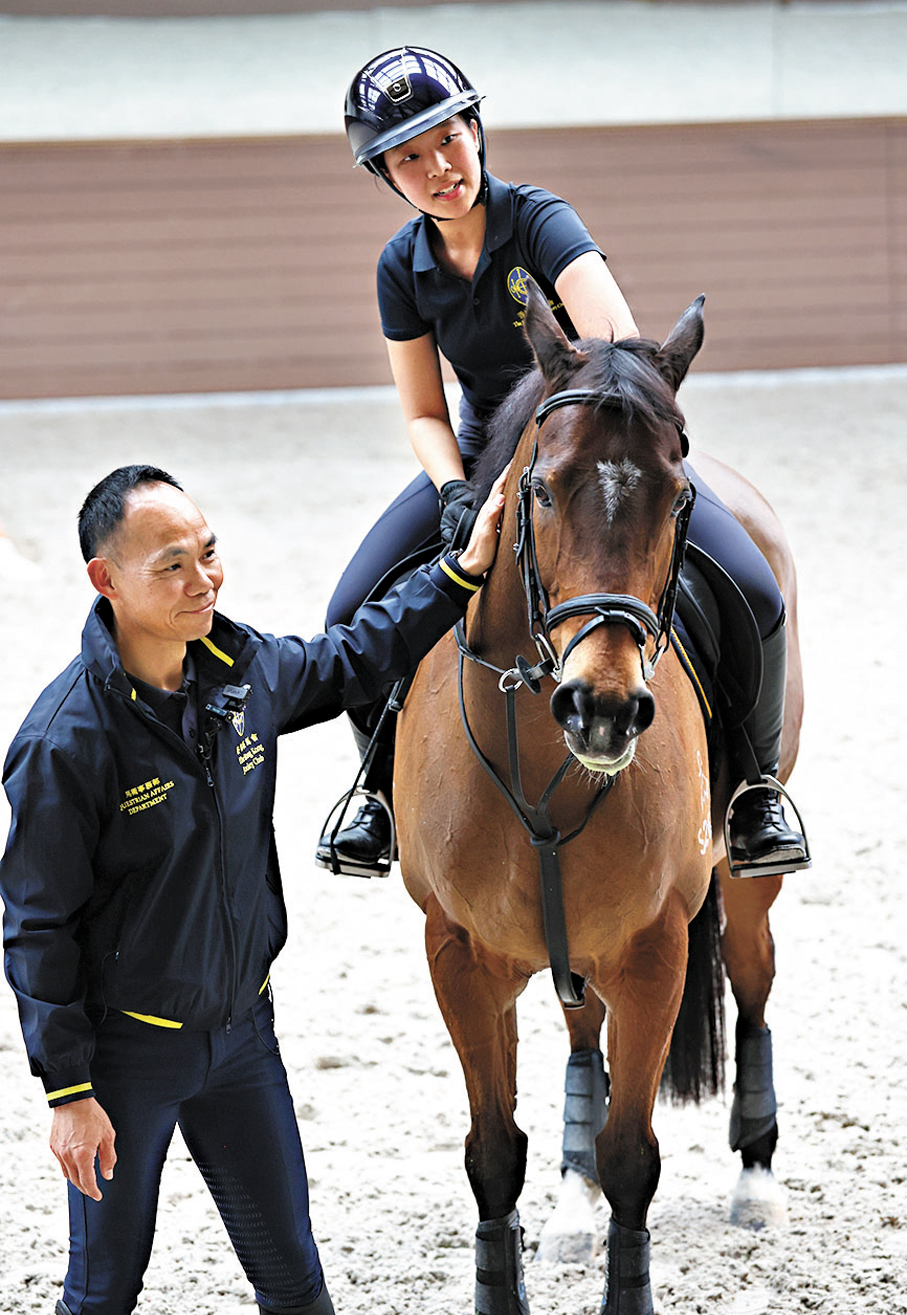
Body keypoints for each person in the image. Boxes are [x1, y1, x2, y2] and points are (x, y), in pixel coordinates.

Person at [0, 462, 505, 1315]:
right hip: (126, 1062)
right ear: (104, 580)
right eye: (171, 565)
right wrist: (70, 1091)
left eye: (208, 552)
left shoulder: (245, 672)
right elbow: (35, 925)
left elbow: (358, 654)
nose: (203, 580)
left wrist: (458, 573)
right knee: (103, 1294)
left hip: (242, 1041)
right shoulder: (62, 742)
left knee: (295, 1277)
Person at [316, 44, 808, 882]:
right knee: (350, 607)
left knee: (754, 591)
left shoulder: (541, 220)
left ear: (476, 129)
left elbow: (613, 344)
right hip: (477, 454)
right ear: (386, 176)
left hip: (591, 447)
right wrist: (450, 492)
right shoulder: (400, 268)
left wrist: (550, 462)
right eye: (409, 158)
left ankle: (753, 791)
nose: (438, 168)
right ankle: (380, 796)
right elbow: (425, 410)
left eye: (448, 140)